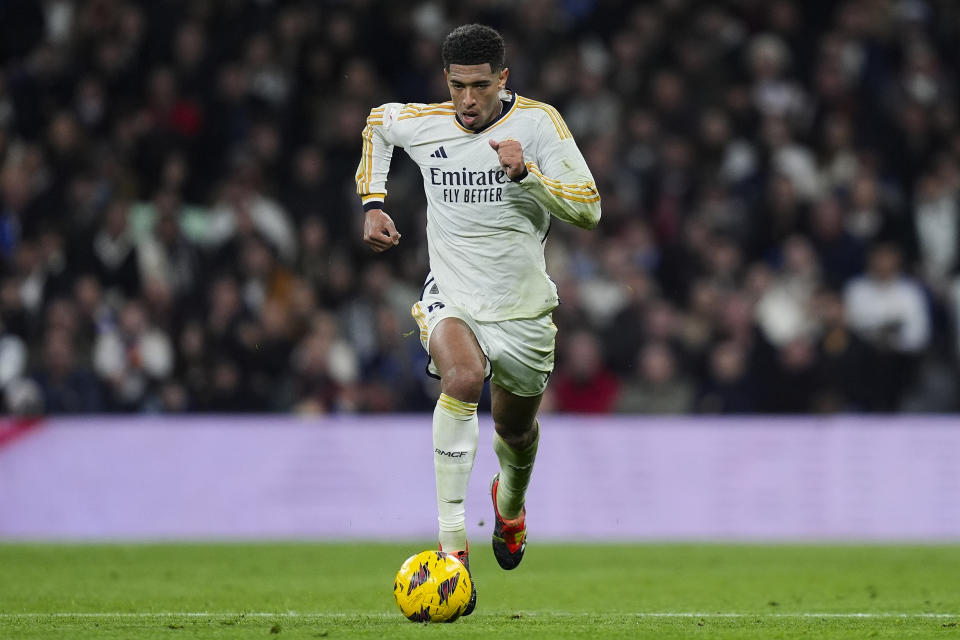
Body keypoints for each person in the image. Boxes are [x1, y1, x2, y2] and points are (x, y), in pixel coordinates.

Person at [356, 24, 600, 615]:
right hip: (454, 297)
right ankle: (452, 549)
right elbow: (375, 125)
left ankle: (509, 506)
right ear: (447, 80)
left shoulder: (539, 124)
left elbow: (589, 208)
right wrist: (373, 203)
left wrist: (528, 176)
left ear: (503, 80)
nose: (468, 100)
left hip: (522, 311)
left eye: (481, 87)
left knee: (515, 434)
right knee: (462, 379)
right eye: (459, 85)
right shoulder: (425, 121)